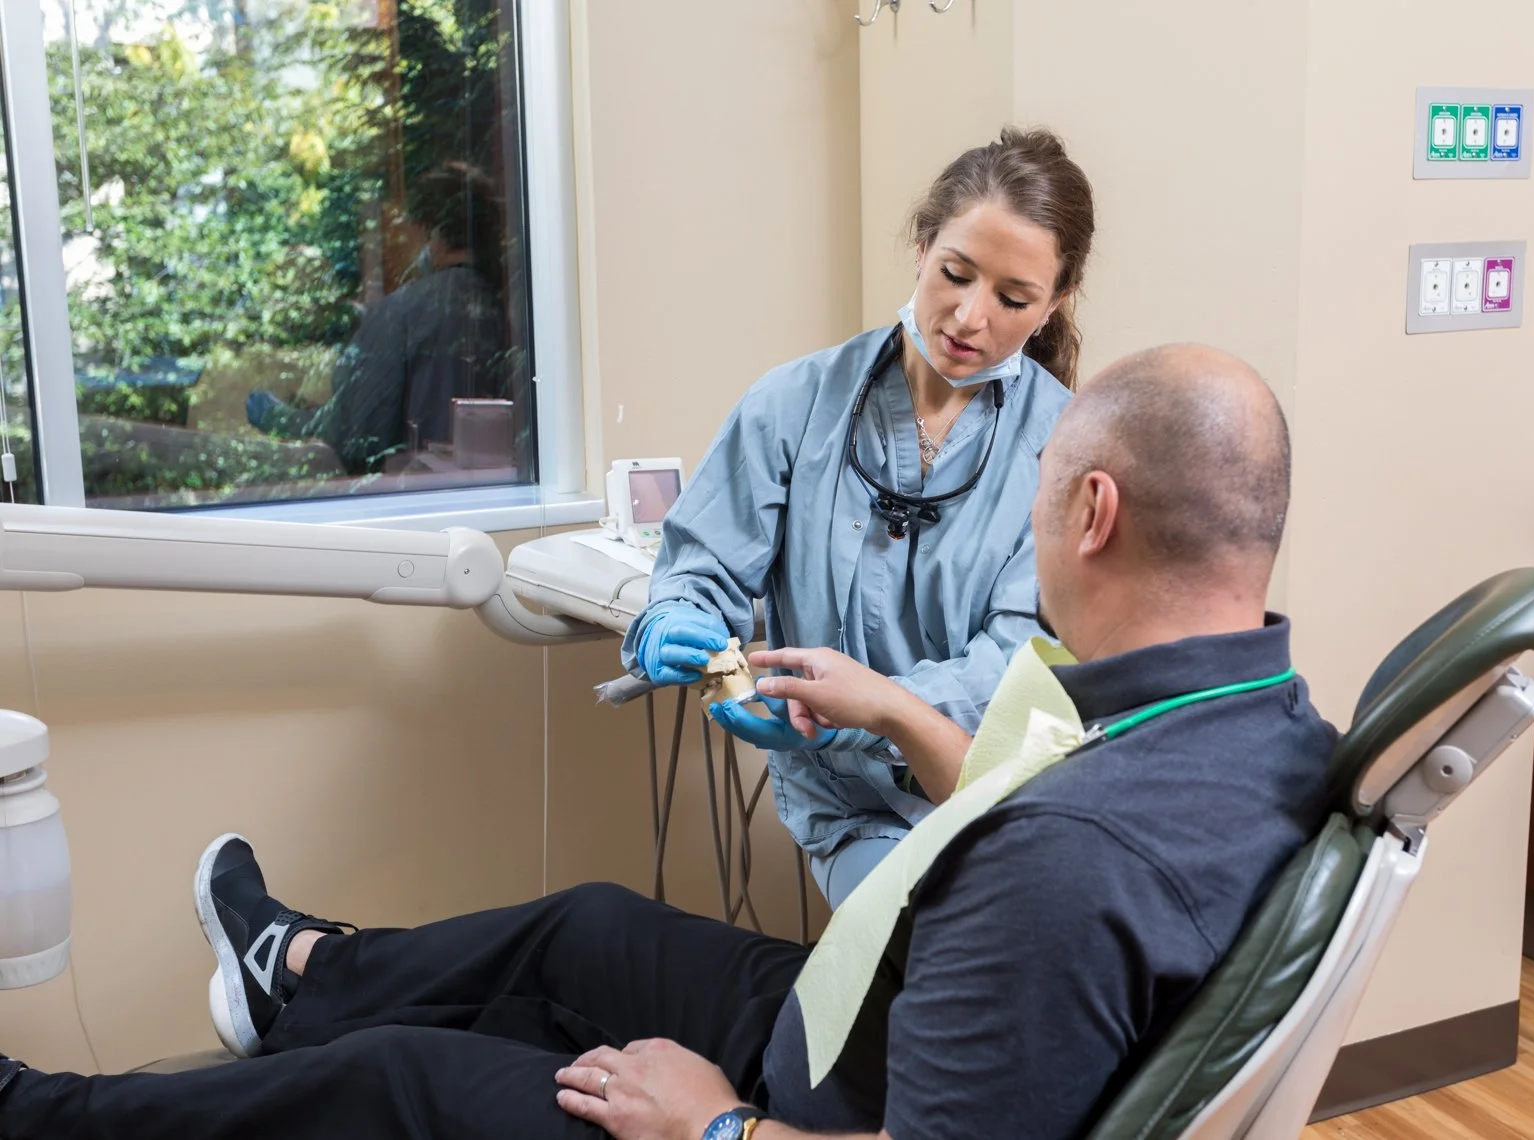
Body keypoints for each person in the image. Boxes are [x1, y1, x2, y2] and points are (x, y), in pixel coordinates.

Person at [0, 344, 1335, 1140]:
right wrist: (888, 705)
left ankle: (48, 1119)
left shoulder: (1070, 866)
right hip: (851, 1019)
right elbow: (1007, 799)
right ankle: (299, 976)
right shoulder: (1256, 721)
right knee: (578, 932)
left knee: (414, 1079)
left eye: (1036, 494)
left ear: (1090, 510)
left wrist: (709, 1121)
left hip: (803, 1105)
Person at [627, 127, 1097, 909]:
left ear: (1054, 304)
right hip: (849, 811)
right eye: (955, 274)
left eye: (1013, 299)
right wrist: (676, 613)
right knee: (919, 935)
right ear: (922, 247)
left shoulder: (1070, 450)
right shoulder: (794, 404)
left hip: (996, 801)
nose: (970, 317)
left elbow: (1019, 664)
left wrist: (858, 708)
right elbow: (703, 564)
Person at [247, 162, 510, 475]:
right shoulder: (508, 306)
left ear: (430, 230)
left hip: (418, 498)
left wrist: (279, 418)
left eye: (404, 230)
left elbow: (360, 438)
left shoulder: (402, 312)